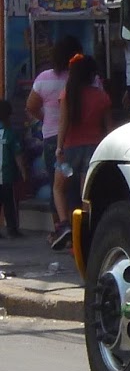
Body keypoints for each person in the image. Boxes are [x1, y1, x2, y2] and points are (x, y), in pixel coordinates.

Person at [51, 54, 111, 250]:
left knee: (59, 188)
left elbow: (63, 123)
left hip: (69, 149)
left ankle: (64, 225)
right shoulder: (102, 97)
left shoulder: (67, 94)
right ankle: (87, 234)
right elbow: (108, 128)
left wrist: (59, 147)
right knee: (86, 195)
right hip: (94, 150)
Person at [26, 35, 80, 204]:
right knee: (76, 186)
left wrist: (46, 118)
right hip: (78, 137)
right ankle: (77, 224)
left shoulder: (44, 78)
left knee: (56, 187)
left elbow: (31, 106)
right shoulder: (82, 78)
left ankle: (59, 225)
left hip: (52, 138)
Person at [0, 99, 22, 238]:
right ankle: (12, 229)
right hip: (6, 175)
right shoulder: (10, 133)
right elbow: (17, 154)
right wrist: (24, 172)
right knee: (9, 203)